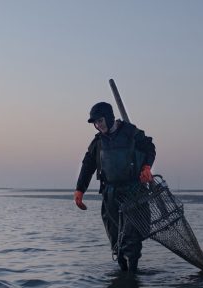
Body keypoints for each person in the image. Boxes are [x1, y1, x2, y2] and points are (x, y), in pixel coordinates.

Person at [74, 102, 156, 274]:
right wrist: (80, 190)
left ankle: (132, 276)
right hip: (110, 194)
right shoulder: (98, 142)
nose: (98, 125)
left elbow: (150, 147)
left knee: (132, 238)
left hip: (134, 192)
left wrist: (146, 167)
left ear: (110, 117)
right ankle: (122, 271)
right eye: (95, 123)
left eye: (101, 120)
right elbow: (88, 164)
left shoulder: (131, 133)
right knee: (116, 238)